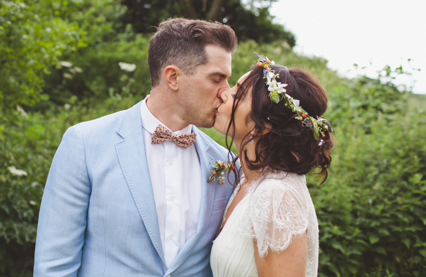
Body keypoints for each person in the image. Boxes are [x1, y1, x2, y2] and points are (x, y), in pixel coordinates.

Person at [34, 18, 238, 276]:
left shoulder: (227, 163)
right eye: (217, 79)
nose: (226, 93)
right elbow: (54, 266)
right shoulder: (84, 145)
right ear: (173, 77)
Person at [209, 53, 334, 277]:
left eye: (237, 93)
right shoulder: (248, 182)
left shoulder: (277, 195)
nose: (224, 94)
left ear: (264, 124)